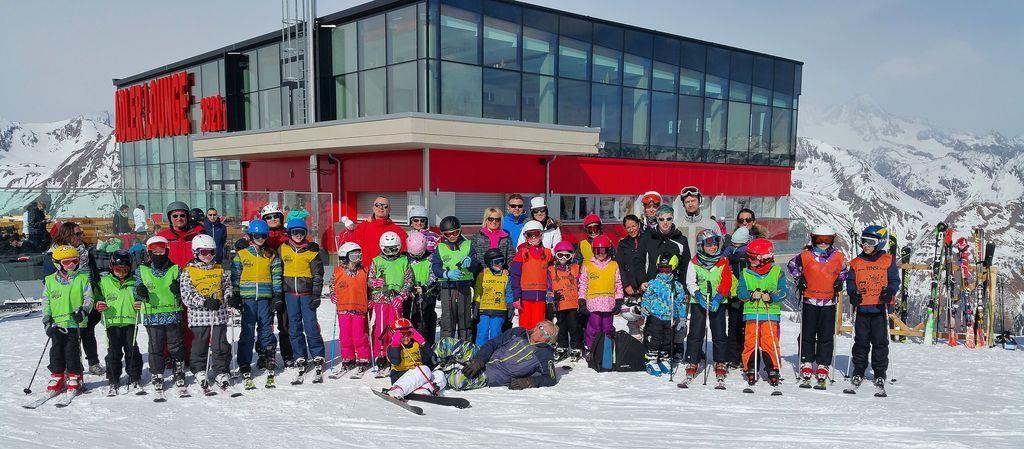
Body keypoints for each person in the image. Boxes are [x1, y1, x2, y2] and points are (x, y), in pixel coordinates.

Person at [787, 224, 847, 389]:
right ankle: (806, 361)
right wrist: (799, 279)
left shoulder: (838, 257)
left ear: (832, 240)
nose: (823, 243)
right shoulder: (805, 256)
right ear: (813, 239)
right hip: (809, 299)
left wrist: (839, 282)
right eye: (819, 240)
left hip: (828, 300)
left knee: (826, 334)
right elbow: (792, 266)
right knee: (807, 332)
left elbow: (843, 271)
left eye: (827, 240)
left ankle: (823, 363)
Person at [845, 225, 900, 395]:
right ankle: (858, 371)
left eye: (870, 242)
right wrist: (853, 294)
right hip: (862, 308)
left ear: (880, 243)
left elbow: (894, 281)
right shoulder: (856, 263)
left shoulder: (888, 261)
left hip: (879, 309)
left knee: (880, 343)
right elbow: (851, 282)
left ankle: (879, 372)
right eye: (863, 241)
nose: (865, 245)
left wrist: (889, 292)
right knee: (861, 342)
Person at [229, 219, 283, 388]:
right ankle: (244, 361)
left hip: (266, 298)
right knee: (247, 330)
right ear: (251, 236)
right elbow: (235, 276)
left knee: (266, 328)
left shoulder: (271, 255)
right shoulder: (242, 255)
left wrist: (277, 296)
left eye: (263, 236)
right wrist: (236, 295)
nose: (260, 239)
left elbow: (276, 277)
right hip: (248, 299)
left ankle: (266, 356)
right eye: (257, 235)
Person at [45, 222, 104, 375]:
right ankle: (72, 366)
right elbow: (49, 282)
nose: (81, 237)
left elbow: (94, 276)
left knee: (88, 332)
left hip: (86, 298)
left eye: (81, 233)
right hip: (65, 303)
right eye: (77, 234)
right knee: (68, 337)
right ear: (67, 236)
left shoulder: (85, 253)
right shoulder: (54, 255)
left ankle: (93, 362)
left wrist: (97, 297)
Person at [436, 321, 561, 391]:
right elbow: (493, 343)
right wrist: (479, 360)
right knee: (446, 343)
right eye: (540, 328)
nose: (540, 333)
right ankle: (428, 361)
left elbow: (550, 378)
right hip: (483, 356)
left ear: (549, 340)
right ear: (536, 326)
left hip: (495, 374)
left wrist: (529, 381)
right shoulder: (518, 332)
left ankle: (435, 376)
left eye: (546, 334)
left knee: (457, 380)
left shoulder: (545, 354)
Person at [179, 234, 234, 391]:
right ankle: (199, 369)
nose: (208, 256)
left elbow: (227, 286)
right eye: (203, 252)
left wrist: (230, 297)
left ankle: (221, 370)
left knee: (220, 345)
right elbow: (187, 295)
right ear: (195, 252)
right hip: (199, 317)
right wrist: (203, 302)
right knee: (199, 345)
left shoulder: (219, 269)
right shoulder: (188, 272)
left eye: (211, 252)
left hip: (218, 315)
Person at [135, 236, 186, 393]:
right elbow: (136, 290)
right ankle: (157, 373)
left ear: (167, 251)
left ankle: (179, 371)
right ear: (149, 253)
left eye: (162, 251)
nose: (158, 254)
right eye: (154, 252)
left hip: (172, 313)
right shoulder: (142, 270)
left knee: (175, 345)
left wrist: (179, 290)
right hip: (152, 314)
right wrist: (140, 292)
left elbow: (185, 289)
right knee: (155, 346)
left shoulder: (175, 269)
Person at [736, 238, 788, 391]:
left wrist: (772, 297)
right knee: (750, 341)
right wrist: (751, 294)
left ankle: (773, 368)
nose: (749, 260)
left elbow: (783, 291)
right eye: (749, 257)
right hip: (752, 313)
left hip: (770, 314)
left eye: (752, 258)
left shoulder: (777, 272)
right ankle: (750, 367)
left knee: (769, 341)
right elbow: (740, 292)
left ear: (763, 259)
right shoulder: (745, 273)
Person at [41, 245, 93, 396]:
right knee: (56, 350)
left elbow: (89, 297)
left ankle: (74, 375)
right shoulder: (50, 280)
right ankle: (57, 376)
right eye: (66, 262)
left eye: (74, 261)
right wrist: (47, 319)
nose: (71, 265)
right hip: (57, 323)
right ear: (57, 263)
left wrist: (84, 310)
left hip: (74, 323)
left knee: (72, 351)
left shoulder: (82, 279)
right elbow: (46, 301)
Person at [683, 229, 734, 385]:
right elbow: (690, 282)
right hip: (699, 301)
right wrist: (698, 295)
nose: (713, 247)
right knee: (696, 332)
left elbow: (726, 281)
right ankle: (693, 359)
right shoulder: (694, 262)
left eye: (715, 244)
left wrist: (719, 297)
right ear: (701, 246)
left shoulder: (722, 261)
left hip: (717, 301)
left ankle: (721, 360)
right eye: (709, 244)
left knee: (719, 332)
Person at [157, 201, 204, 366]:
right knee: (170, 322)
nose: (179, 218)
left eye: (182, 215)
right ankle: (169, 354)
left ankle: (191, 353)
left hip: (193, 283)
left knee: (190, 320)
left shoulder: (197, 235)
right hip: (171, 284)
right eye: (175, 216)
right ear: (170, 218)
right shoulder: (163, 237)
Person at [279, 219, 326, 379]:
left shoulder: (311, 252)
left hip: (307, 295)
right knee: (294, 326)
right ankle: (300, 355)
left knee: (311, 325)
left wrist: (316, 295)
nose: (298, 236)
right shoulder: (283, 249)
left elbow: (318, 275)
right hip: (290, 294)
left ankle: (317, 354)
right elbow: (277, 270)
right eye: (294, 233)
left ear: (306, 234)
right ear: (289, 234)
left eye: (301, 233)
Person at [96, 250, 144, 395]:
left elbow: (142, 297)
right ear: (112, 267)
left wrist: (140, 303)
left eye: (125, 270)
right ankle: (113, 377)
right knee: (114, 351)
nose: (121, 273)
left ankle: (135, 376)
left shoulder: (135, 282)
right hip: (112, 322)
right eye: (118, 269)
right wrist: (99, 304)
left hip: (130, 320)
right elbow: (98, 297)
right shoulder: (104, 282)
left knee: (132, 349)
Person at [368, 231, 413, 375]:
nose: (391, 252)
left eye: (394, 249)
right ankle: (380, 355)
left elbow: (409, 280)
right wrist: (374, 282)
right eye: (388, 249)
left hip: (396, 299)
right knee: (381, 328)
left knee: (396, 328)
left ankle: (395, 354)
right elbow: (370, 280)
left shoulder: (403, 260)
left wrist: (403, 295)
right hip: (381, 298)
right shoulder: (376, 261)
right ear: (382, 247)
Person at [256, 204, 294, 367]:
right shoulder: (260, 235)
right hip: (265, 283)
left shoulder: (288, 235)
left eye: (275, 216)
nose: (272, 220)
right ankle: (264, 353)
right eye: (268, 217)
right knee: (264, 322)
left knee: (286, 322)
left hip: (285, 283)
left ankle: (288, 354)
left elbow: (302, 243)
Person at [431, 216, 477, 342]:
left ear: (460, 230)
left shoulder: (468, 245)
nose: (452, 236)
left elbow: (475, 264)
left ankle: (465, 348)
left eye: (455, 233)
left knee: (465, 320)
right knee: (447, 321)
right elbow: (435, 266)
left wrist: (470, 261)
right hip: (447, 288)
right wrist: (446, 273)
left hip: (463, 287)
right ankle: (447, 349)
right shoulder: (440, 248)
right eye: (448, 234)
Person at [641, 253, 687, 376]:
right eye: (661, 269)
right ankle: (651, 359)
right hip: (655, 317)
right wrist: (644, 306)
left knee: (668, 339)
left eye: (667, 269)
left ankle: (664, 357)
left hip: (670, 318)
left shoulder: (677, 286)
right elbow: (647, 297)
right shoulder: (653, 283)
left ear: (674, 268)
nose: (664, 272)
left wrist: (682, 317)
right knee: (655, 338)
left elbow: (681, 302)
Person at [331, 242, 373, 375]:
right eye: (354, 256)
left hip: (359, 308)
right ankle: (348, 358)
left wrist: (371, 299)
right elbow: (332, 286)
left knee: (359, 335)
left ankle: (364, 358)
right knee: (345, 336)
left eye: (359, 255)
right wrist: (333, 295)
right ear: (345, 257)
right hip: (343, 308)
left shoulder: (364, 271)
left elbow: (370, 287)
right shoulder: (338, 272)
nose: (358, 259)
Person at [578, 235, 622, 353]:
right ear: (593, 251)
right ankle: (591, 348)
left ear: (608, 250)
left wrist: (618, 301)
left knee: (607, 327)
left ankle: (606, 350)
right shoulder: (588, 266)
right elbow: (583, 284)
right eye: (597, 251)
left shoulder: (613, 265)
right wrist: (582, 300)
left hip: (609, 303)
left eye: (603, 251)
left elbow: (618, 284)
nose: (600, 254)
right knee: (594, 327)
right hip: (593, 303)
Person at [509, 220, 552, 332]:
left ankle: (537, 347)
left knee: (539, 325)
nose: (533, 237)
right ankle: (525, 346)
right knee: (525, 325)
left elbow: (551, 275)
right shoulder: (521, 253)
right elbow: (515, 275)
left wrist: (550, 292)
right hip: (525, 297)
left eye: (536, 234)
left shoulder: (547, 253)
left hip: (541, 296)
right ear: (526, 237)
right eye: (530, 235)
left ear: (541, 235)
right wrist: (516, 296)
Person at [382, 318, 442, 398]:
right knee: (425, 369)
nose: (406, 338)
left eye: (409, 334)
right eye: (402, 335)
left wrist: (423, 342)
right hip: (401, 376)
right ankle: (398, 389)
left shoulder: (416, 345)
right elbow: (395, 361)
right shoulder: (391, 348)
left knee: (440, 374)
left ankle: (423, 389)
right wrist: (395, 345)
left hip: (419, 375)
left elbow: (429, 356)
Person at [723, 226, 751, 369]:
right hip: (733, 294)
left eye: (737, 245)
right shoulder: (728, 253)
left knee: (744, 327)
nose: (734, 247)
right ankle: (734, 356)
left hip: (746, 295)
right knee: (734, 326)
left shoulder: (748, 255)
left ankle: (744, 356)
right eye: (733, 244)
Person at [549, 241, 583, 361]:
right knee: (561, 326)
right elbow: (549, 285)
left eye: (567, 256)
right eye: (560, 255)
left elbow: (581, 283)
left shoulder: (575, 268)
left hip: (573, 304)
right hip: (559, 304)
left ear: (572, 256)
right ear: (555, 256)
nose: (563, 258)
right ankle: (562, 346)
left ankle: (576, 347)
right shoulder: (552, 270)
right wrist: (550, 298)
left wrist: (582, 298)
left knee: (574, 326)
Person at [473, 248, 513, 347]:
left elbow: (509, 293)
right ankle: (479, 353)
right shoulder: (482, 275)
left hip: (499, 310)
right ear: (489, 263)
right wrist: (476, 305)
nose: (500, 264)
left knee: (496, 333)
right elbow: (478, 291)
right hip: (484, 310)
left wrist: (510, 306)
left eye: (502, 261)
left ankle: (495, 353)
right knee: (482, 333)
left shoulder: (506, 276)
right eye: (496, 262)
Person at [615, 215, 646, 336]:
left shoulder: (647, 239)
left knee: (646, 320)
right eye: (628, 227)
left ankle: (648, 347)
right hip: (630, 288)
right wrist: (626, 284)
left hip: (645, 287)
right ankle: (636, 343)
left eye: (633, 226)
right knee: (632, 320)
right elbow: (619, 267)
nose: (631, 229)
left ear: (638, 224)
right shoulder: (623, 244)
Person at [351, 196, 407, 263]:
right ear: (373, 208)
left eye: (385, 206)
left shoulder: (399, 232)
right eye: (377, 205)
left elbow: (404, 256)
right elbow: (352, 250)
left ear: (389, 209)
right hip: (365, 271)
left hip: (389, 272)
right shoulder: (361, 228)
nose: (381, 208)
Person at [406, 232, 438, 346]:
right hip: (410, 294)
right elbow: (404, 275)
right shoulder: (406, 258)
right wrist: (409, 289)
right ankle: (411, 344)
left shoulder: (430, 258)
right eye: (414, 254)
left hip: (427, 294)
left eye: (419, 254)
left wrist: (425, 287)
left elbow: (434, 275)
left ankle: (427, 345)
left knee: (426, 318)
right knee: (411, 318)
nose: (417, 257)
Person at [674, 186, 721, 257]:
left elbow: (719, 247)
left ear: (699, 202)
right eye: (687, 202)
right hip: (683, 266)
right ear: (683, 205)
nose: (690, 204)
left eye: (693, 201)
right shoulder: (676, 224)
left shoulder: (711, 224)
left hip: (703, 266)